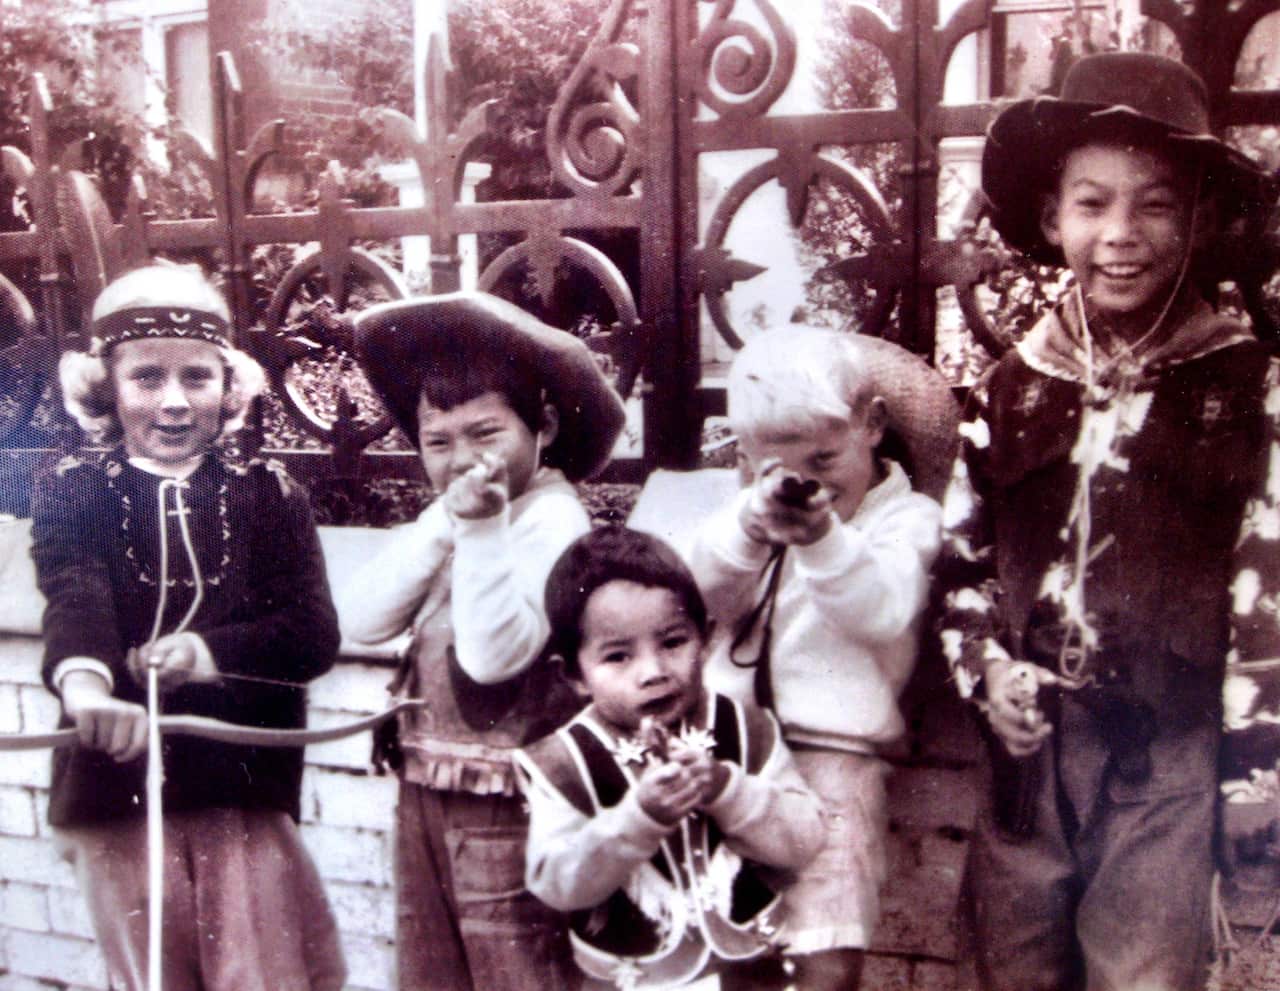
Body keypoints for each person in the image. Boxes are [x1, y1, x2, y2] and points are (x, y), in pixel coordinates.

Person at [937, 51, 1280, 991]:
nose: (1120, 235)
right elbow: (961, 565)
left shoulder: (1249, 387)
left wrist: (1254, 778)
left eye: (1155, 204)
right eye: (1092, 205)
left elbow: (1267, 595)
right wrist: (986, 670)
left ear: (1202, 217)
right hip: (1028, 759)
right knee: (1011, 964)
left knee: (1144, 973)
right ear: (1053, 219)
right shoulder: (1010, 388)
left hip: (1166, 756)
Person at [31, 264, 346, 991]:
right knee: (151, 976)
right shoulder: (74, 491)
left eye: (197, 378)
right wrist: (88, 693)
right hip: (114, 788)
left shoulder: (269, 492)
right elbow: (72, 595)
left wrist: (208, 651)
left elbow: (311, 631)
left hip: (239, 782)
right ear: (107, 387)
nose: (174, 402)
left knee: (259, 972)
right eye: (147, 378)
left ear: (228, 388)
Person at [340, 292, 626, 991]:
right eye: (437, 443)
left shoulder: (551, 520)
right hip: (430, 788)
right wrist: (447, 520)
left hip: (511, 803)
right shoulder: (464, 517)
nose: (462, 461)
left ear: (546, 426)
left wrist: (477, 527)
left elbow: (492, 658)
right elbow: (362, 617)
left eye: (485, 434)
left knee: (515, 970)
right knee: (435, 974)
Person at [687, 325, 955, 991]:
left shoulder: (906, 518)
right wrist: (748, 529)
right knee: (735, 941)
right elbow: (695, 596)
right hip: (738, 753)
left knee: (823, 950)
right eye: (775, 468)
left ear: (873, 424)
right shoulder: (749, 513)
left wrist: (821, 539)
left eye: (824, 460)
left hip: (833, 763)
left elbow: (881, 607)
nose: (805, 484)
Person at [515, 525, 826, 990]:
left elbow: (804, 841)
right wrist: (639, 818)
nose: (654, 672)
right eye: (618, 657)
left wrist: (728, 788)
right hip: (636, 980)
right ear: (574, 675)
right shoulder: (560, 764)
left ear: (707, 639)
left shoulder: (746, 728)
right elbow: (560, 886)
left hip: (751, 971)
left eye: (673, 643)